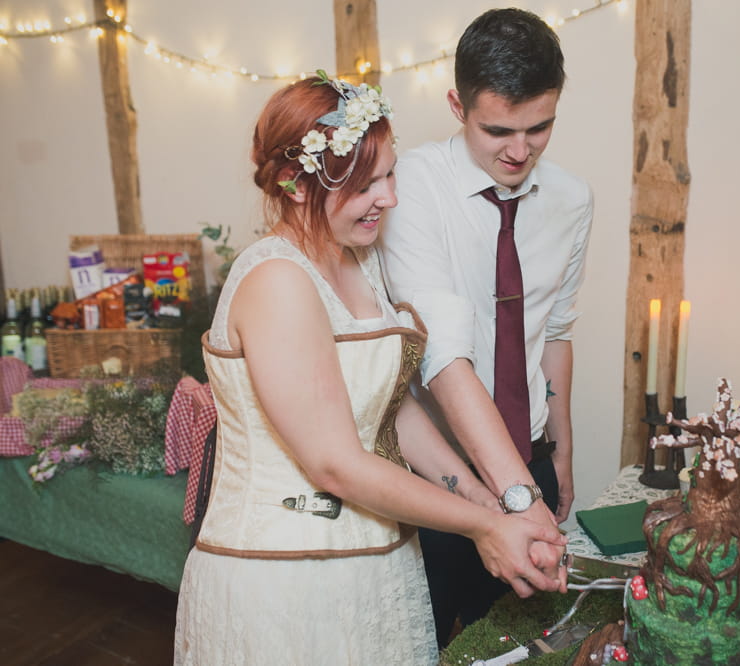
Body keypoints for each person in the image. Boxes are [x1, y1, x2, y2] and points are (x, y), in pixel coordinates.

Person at [173, 72, 567, 665]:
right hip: (285, 579)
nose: (389, 198)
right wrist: (479, 528)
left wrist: (493, 505)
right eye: (365, 184)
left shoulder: (360, 262)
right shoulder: (276, 280)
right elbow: (335, 461)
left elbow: (391, 406)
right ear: (294, 184)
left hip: (374, 568)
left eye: (390, 174)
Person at [379, 8, 594, 646]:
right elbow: (441, 357)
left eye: (540, 127)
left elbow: (555, 331)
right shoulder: (412, 187)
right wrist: (509, 499)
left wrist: (561, 453)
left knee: (528, 643)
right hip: (435, 473)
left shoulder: (573, 200)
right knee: (443, 644)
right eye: (498, 129)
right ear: (456, 104)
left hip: (531, 456)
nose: (519, 151)